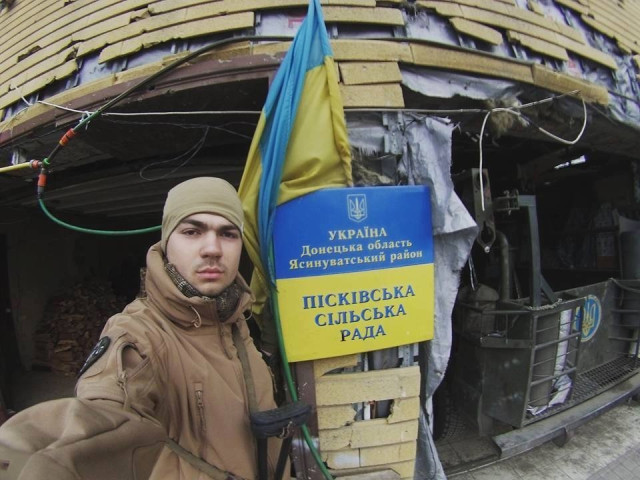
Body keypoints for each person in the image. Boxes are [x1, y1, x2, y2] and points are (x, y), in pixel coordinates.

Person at [0, 177, 283, 479]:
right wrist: (35, 459)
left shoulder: (235, 318)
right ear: (166, 243)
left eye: (228, 233)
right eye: (192, 231)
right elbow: (101, 420)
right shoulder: (137, 335)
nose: (212, 248)